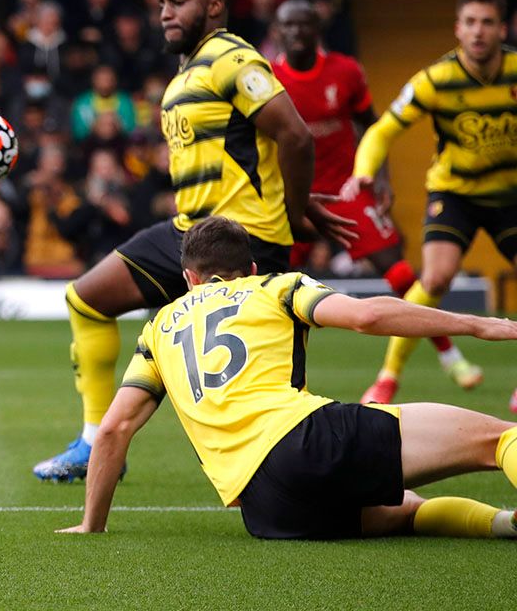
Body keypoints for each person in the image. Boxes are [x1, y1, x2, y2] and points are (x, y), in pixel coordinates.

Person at [34, 0, 355, 482]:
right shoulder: (189, 71)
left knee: (268, 387)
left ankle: (307, 466)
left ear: (214, 6)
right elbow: (260, 148)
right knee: (86, 299)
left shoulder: (233, 59)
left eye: (178, 1)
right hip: (189, 232)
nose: (165, 12)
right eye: (161, 3)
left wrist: (292, 216)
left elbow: (294, 136)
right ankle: (94, 442)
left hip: (243, 240)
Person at [57, 216, 517, 540]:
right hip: (307, 438)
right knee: (499, 440)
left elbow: (114, 428)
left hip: (267, 507)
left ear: (188, 277)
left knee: (407, 511)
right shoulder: (275, 286)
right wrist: (476, 324)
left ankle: (502, 523)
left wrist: (91, 524)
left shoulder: (159, 328)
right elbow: (366, 316)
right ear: (252, 268)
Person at [272, 0, 479, 392]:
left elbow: (374, 126)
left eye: (304, 25)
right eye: (289, 26)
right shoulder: (266, 78)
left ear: (318, 30)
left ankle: (451, 356)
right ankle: (275, 376)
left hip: (346, 190)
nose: (297, 32)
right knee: (269, 283)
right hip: (293, 195)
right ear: (276, 30)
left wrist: (380, 180)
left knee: (400, 272)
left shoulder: (346, 72)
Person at [341, 0, 517, 408]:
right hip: (454, 192)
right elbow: (383, 129)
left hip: (509, 195)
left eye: (487, 23)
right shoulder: (437, 79)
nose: (478, 32)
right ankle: (388, 377)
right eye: (470, 22)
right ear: (457, 28)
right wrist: (363, 173)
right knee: (435, 278)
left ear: (502, 28)